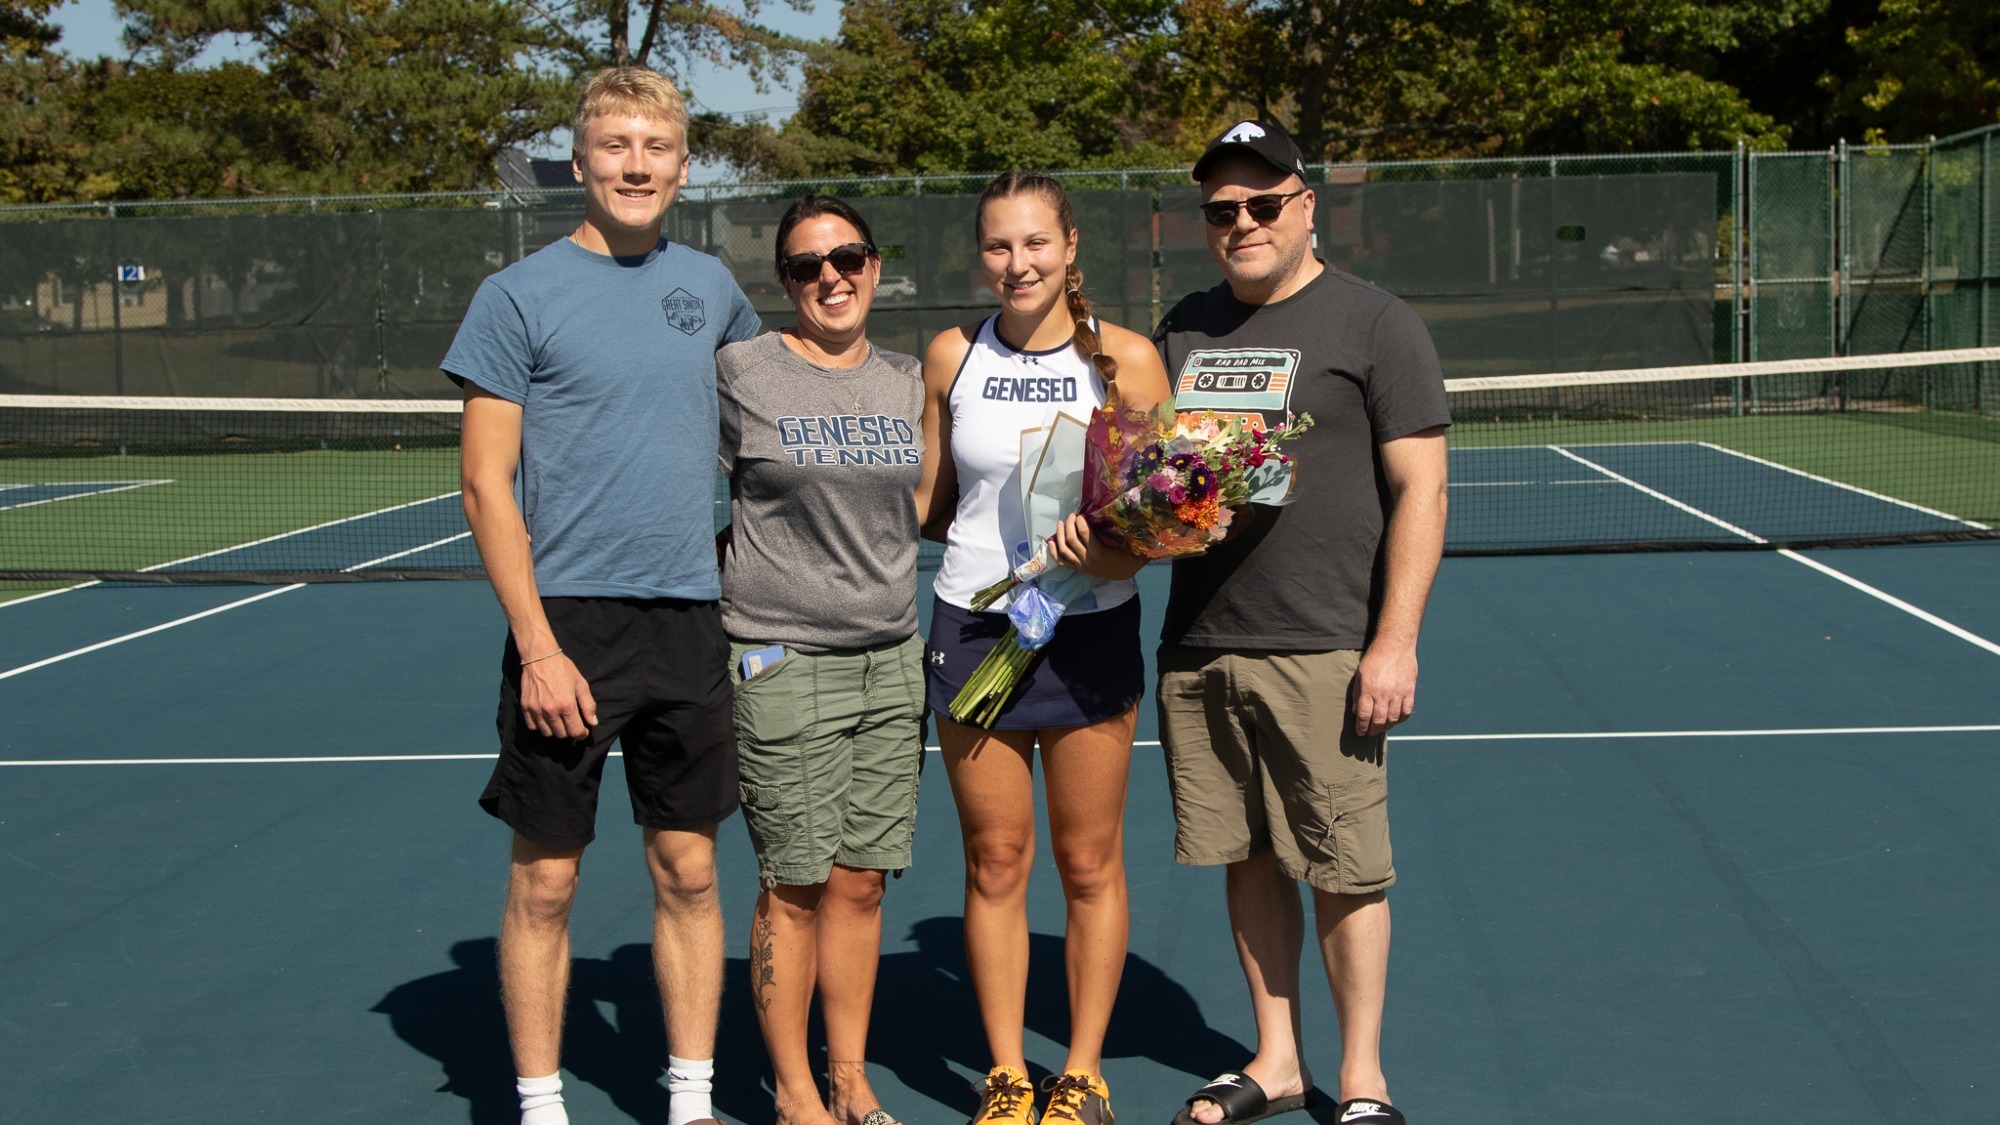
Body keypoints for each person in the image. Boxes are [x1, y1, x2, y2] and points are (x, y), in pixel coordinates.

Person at [445, 67, 760, 1125]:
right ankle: (540, 1106)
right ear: (579, 163)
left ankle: (689, 1098)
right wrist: (538, 647)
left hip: (689, 620)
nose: (635, 165)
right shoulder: (516, 296)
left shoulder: (712, 289)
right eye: (615, 146)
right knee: (545, 882)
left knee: (689, 873)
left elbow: (761, 433)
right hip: (568, 627)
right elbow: (484, 483)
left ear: (683, 166)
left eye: (655, 147)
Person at [1151, 120, 1450, 1125]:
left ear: (1304, 205)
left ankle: (1361, 1078)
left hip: (1325, 645)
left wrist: (1393, 643)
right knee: (1245, 856)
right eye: (1221, 210)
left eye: (1262, 203)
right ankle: (1276, 1060)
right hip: (1200, 645)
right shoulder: (1182, 329)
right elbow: (1159, 476)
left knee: (1343, 867)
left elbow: (1422, 490)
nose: (1241, 223)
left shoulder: (1376, 323)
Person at [915, 172, 1172, 1125]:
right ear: (979, 253)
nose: (1016, 263)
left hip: (1088, 633)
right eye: (998, 245)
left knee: (1089, 861)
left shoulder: (1128, 360)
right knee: (994, 858)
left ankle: (1082, 1074)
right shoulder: (951, 354)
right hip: (974, 626)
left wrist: (1108, 549)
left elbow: (1161, 524)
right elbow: (930, 504)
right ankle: (1006, 1076)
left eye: (1034, 243)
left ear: (1069, 248)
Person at [715, 196, 925, 1125]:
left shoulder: (907, 380)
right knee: (794, 883)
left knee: (862, 881)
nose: (831, 277)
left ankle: (850, 1079)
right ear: (784, 281)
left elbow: (931, 502)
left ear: (874, 266)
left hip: (893, 658)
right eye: (808, 266)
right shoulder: (741, 372)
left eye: (848, 258)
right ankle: (796, 1092)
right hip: (784, 659)